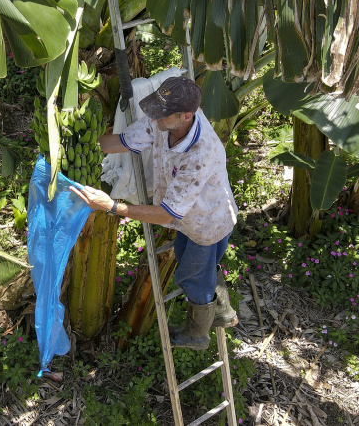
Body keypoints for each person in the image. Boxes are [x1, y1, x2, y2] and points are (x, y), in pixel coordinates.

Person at [69, 76, 239, 350]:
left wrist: (112, 207)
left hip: (208, 221)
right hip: (189, 216)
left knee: (193, 277)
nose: (154, 118)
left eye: (162, 115)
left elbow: (165, 215)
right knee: (196, 265)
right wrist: (78, 144)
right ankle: (222, 311)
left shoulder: (201, 153)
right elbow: (124, 141)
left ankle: (197, 334)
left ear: (186, 116)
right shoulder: (164, 119)